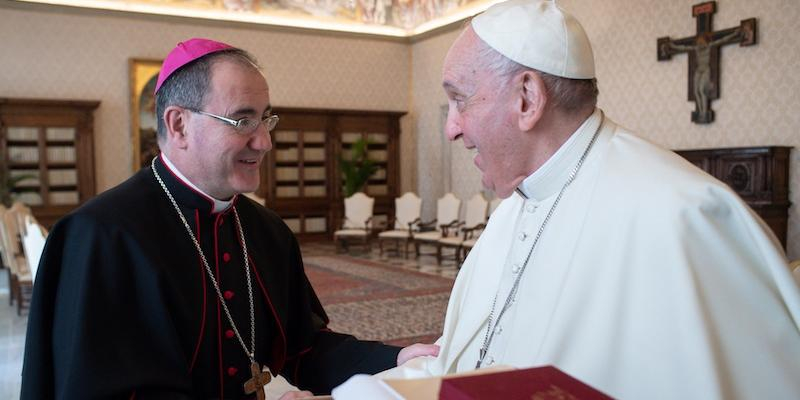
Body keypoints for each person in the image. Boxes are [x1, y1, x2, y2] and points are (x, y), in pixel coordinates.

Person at [377, 0, 800, 398]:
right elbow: (460, 367)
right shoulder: (514, 211)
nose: (450, 128)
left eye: (459, 100)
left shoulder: (681, 217)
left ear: (527, 98)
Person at [21, 38, 437, 399]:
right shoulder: (100, 237)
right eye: (242, 120)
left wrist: (395, 357)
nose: (265, 141)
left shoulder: (267, 231)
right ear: (179, 124)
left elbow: (303, 347)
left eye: (266, 118)